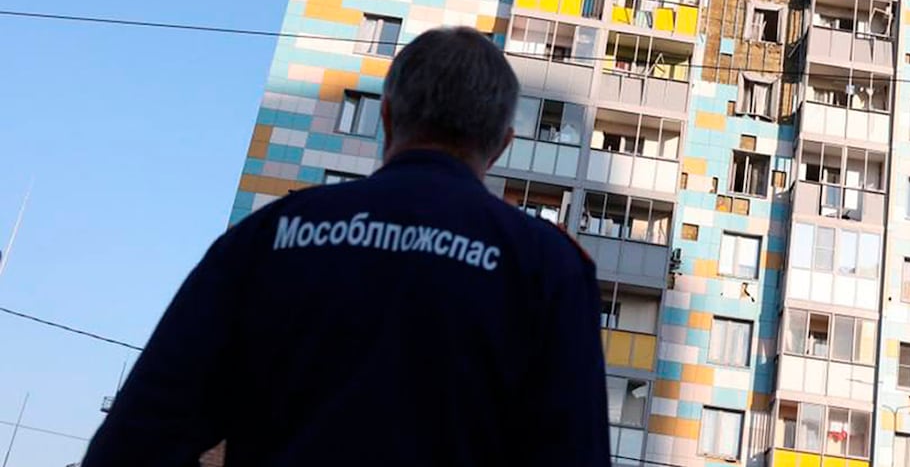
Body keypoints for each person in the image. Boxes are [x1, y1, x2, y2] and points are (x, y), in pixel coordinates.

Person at [83, 27, 611, 467]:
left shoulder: (267, 238)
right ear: (500, 144)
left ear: (385, 118)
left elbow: (134, 442)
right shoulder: (549, 269)